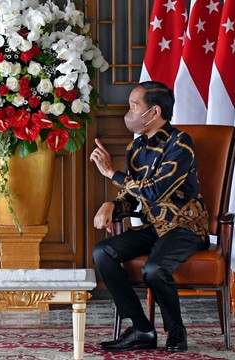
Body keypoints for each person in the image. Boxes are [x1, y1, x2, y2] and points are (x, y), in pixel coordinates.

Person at [90, 81, 209, 353]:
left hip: (184, 227)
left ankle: (176, 331)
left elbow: (156, 191)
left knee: (154, 269)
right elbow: (134, 195)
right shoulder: (137, 149)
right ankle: (141, 328)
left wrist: (112, 175)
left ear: (154, 112)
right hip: (152, 226)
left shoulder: (181, 144)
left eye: (134, 106)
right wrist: (113, 204)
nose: (129, 112)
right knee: (102, 252)